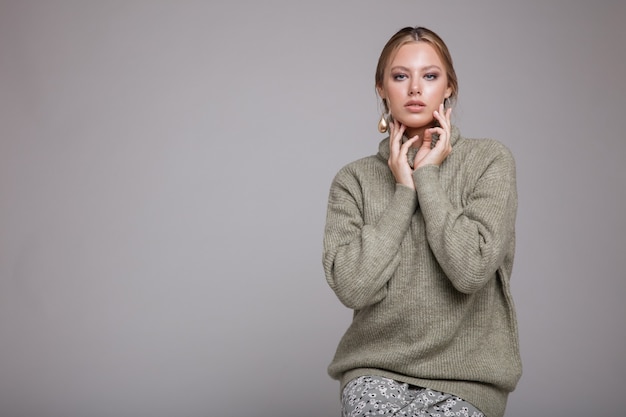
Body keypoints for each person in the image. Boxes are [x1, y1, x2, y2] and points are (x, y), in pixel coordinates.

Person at [322, 26, 522, 417]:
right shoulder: (354, 180)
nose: (415, 88)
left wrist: (426, 177)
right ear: (381, 88)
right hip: (374, 369)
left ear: (449, 88)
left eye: (430, 76)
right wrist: (403, 192)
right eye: (400, 76)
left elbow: (471, 271)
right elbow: (352, 287)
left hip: (468, 381)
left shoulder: (490, 161)